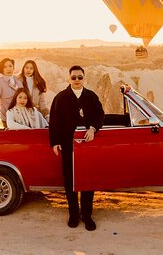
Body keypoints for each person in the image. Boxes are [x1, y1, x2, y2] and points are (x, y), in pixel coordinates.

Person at [49, 65, 104, 231]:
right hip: (67, 144)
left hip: (87, 146)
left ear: (84, 78)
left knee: (87, 179)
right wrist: (55, 142)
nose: (77, 80)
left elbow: (100, 115)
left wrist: (93, 128)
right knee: (69, 180)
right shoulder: (60, 97)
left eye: (80, 77)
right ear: (69, 78)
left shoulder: (91, 97)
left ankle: (87, 215)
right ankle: (73, 214)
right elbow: (54, 121)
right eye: (74, 77)